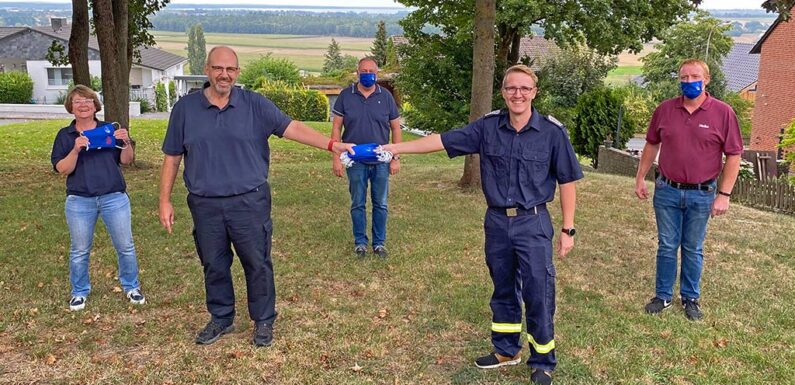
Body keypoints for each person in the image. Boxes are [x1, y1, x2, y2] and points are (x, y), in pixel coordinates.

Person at [382, 64, 583, 385]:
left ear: (534, 92)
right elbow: (441, 141)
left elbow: (567, 180)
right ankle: (506, 350)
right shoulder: (487, 127)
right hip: (497, 222)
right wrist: (395, 147)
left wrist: (567, 229)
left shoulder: (552, 132)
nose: (518, 94)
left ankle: (543, 361)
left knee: (538, 291)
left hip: (533, 222)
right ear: (503, 92)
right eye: (511, 88)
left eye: (524, 88)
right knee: (503, 287)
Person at [159, 46, 353, 347]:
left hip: (249, 202)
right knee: (213, 264)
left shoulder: (255, 104)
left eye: (231, 69)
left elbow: (292, 127)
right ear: (207, 70)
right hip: (205, 204)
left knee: (257, 263)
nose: (224, 75)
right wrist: (164, 200)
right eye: (218, 68)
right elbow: (172, 158)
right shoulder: (185, 109)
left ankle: (263, 320)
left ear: (237, 73)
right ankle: (221, 317)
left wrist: (331, 145)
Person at [635, 58, 742, 321]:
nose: (689, 82)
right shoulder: (665, 110)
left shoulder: (723, 113)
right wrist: (640, 177)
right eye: (684, 77)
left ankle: (690, 298)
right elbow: (651, 144)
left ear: (707, 80)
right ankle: (662, 296)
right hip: (667, 190)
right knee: (667, 245)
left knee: (693, 247)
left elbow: (734, 155)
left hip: (702, 193)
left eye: (695, 77)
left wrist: (724, 195)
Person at [50, 85, 145, 311]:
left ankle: (132, 286)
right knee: (80, 250)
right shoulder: (65, 135)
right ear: (71, 107)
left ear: (95, 105)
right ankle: (79, 291)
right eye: (77, 101)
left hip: (114, 197)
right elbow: (62, 169)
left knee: (125, 246)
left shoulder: (109, 129)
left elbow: (126, 160)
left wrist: (126, 142)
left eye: (88, 100)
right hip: (79, 200)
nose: (83, 105)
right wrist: (75, 149)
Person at [331, 57, 402, 258]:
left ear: (377, 74)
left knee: (381, 204)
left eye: (371, 71)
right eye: (364, 71)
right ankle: (360, 243)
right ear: (357, 73)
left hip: (381, 161)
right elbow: (336, 128)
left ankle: (379, 243)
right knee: (357, 203)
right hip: (355, 161)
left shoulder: (386, 97)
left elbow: (396, 128)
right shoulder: (346, 96)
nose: (367, 74)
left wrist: (395, 157)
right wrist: (336, 158)